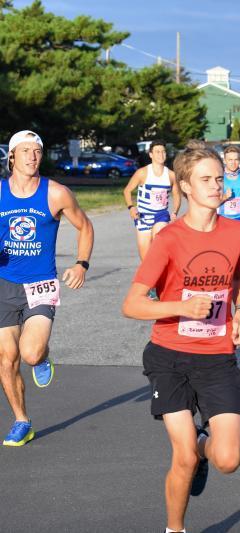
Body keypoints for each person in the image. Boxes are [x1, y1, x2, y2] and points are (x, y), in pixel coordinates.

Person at [122, 146, 240, 533]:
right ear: (185, 187)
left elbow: (238, 280)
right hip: (170, 358)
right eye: (205, 179)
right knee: (183, 458)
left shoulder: (238, 232)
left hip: (218, 357)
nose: (215, 186)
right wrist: (181, 306)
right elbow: (132, 304)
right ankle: (174, 529)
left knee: (228, 459)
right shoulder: (168, 239)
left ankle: (202, 446)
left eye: (218, 179)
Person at [0, 130, 94, 446]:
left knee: (30, 353)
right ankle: (21, 421)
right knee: (6, 358)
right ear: (12, 156)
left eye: (37, 151)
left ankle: (42, 357)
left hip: (40, 283)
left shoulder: (56, 193)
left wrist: (81, 264)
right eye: (25, 150)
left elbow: (85, 226)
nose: (32, 156)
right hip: (3, 283)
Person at [123, 140, 181, 261]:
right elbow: (127, 191)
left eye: (163, 152)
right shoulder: (142, 173)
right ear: (151, 155)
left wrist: (175, 212)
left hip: (161, 216)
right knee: (145, 260)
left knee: (159, 244)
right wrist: (131, 207)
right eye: (157, 152)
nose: (161, 154)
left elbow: (176, 195)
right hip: (143, 217)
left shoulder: (171, 175)